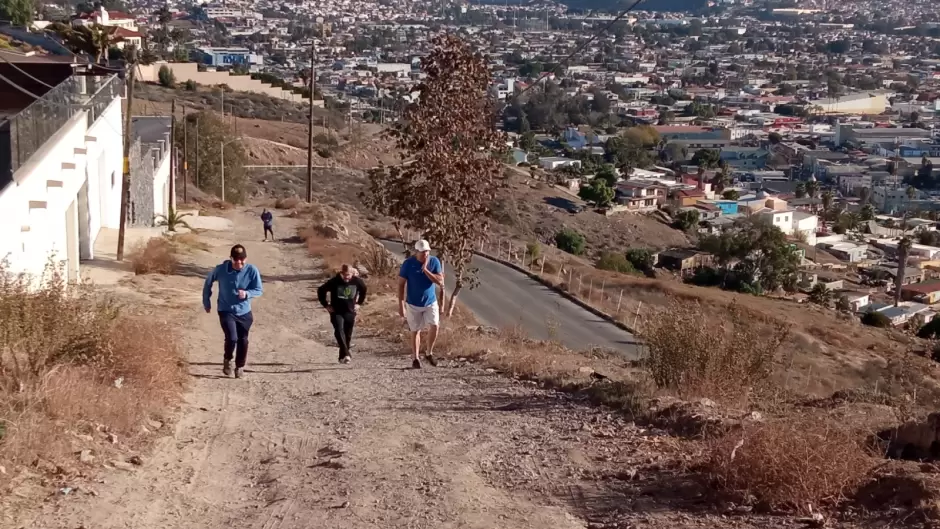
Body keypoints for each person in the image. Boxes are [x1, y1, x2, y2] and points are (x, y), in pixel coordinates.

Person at [203, 244, 263, 378]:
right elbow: (208, 282)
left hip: (244, 312)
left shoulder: (252, 270)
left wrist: (247, 294)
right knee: (232, 338)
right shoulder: (220, 270)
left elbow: (259, 290)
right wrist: (206, 301)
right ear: (231, 258)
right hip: (226, 310)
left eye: (242, 259)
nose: (239, 262)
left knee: (243, 340)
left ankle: (240, 367)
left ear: (246, 259)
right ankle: (228, 359)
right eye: (236, 259)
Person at [398, 239, 444, 369]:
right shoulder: (408, 264)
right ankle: (416, 357)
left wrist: (426, 271)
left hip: (430, 301)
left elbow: (440, 281)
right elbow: (401, 285)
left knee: (435, 325)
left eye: (427, 252)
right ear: (417, 252)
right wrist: (401, 305)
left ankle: (429, 352)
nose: (425, 255)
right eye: (423, 252)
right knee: (415, 330)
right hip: (413, 303)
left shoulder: (434, 262)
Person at [317, 264, 368, 364]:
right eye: (344, 275)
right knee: (339, 331)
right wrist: (326, 305)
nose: (346, 277)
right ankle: (346, 354)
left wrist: (359, 304)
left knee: (347, 334)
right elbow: (321, 290)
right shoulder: (334, 281)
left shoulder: (357, 281)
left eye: (348, 275)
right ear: (341, 273)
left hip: (350, 311)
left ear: (352, 274)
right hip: (336, 311)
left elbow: (364, 290)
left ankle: (342, 356)